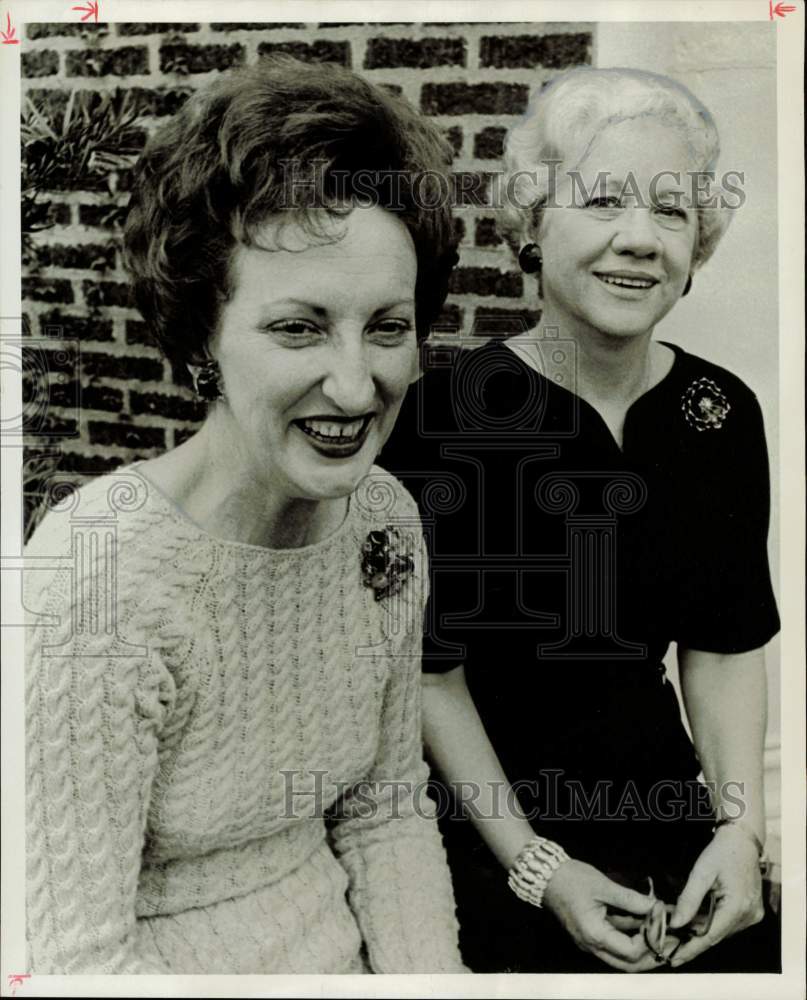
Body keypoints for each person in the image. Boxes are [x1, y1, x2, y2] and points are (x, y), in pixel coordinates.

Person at [24, 58, 465, 975]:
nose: (356, 385)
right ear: (202, 338)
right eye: (299, 328)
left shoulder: (383, 520)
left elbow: (384, 812)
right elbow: (73, 964)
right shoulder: (94, 580)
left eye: (386, 326)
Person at [382, 66, 780, 974]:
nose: (638, 240)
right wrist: (538, 869)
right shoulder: (441, 421)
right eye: (602, 200)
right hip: (485, 827)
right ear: (531, 223)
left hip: (663, 808)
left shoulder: (718, 412)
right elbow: (429, 682)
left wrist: (740, 831)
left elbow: (721, 647)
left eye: (671, 212)